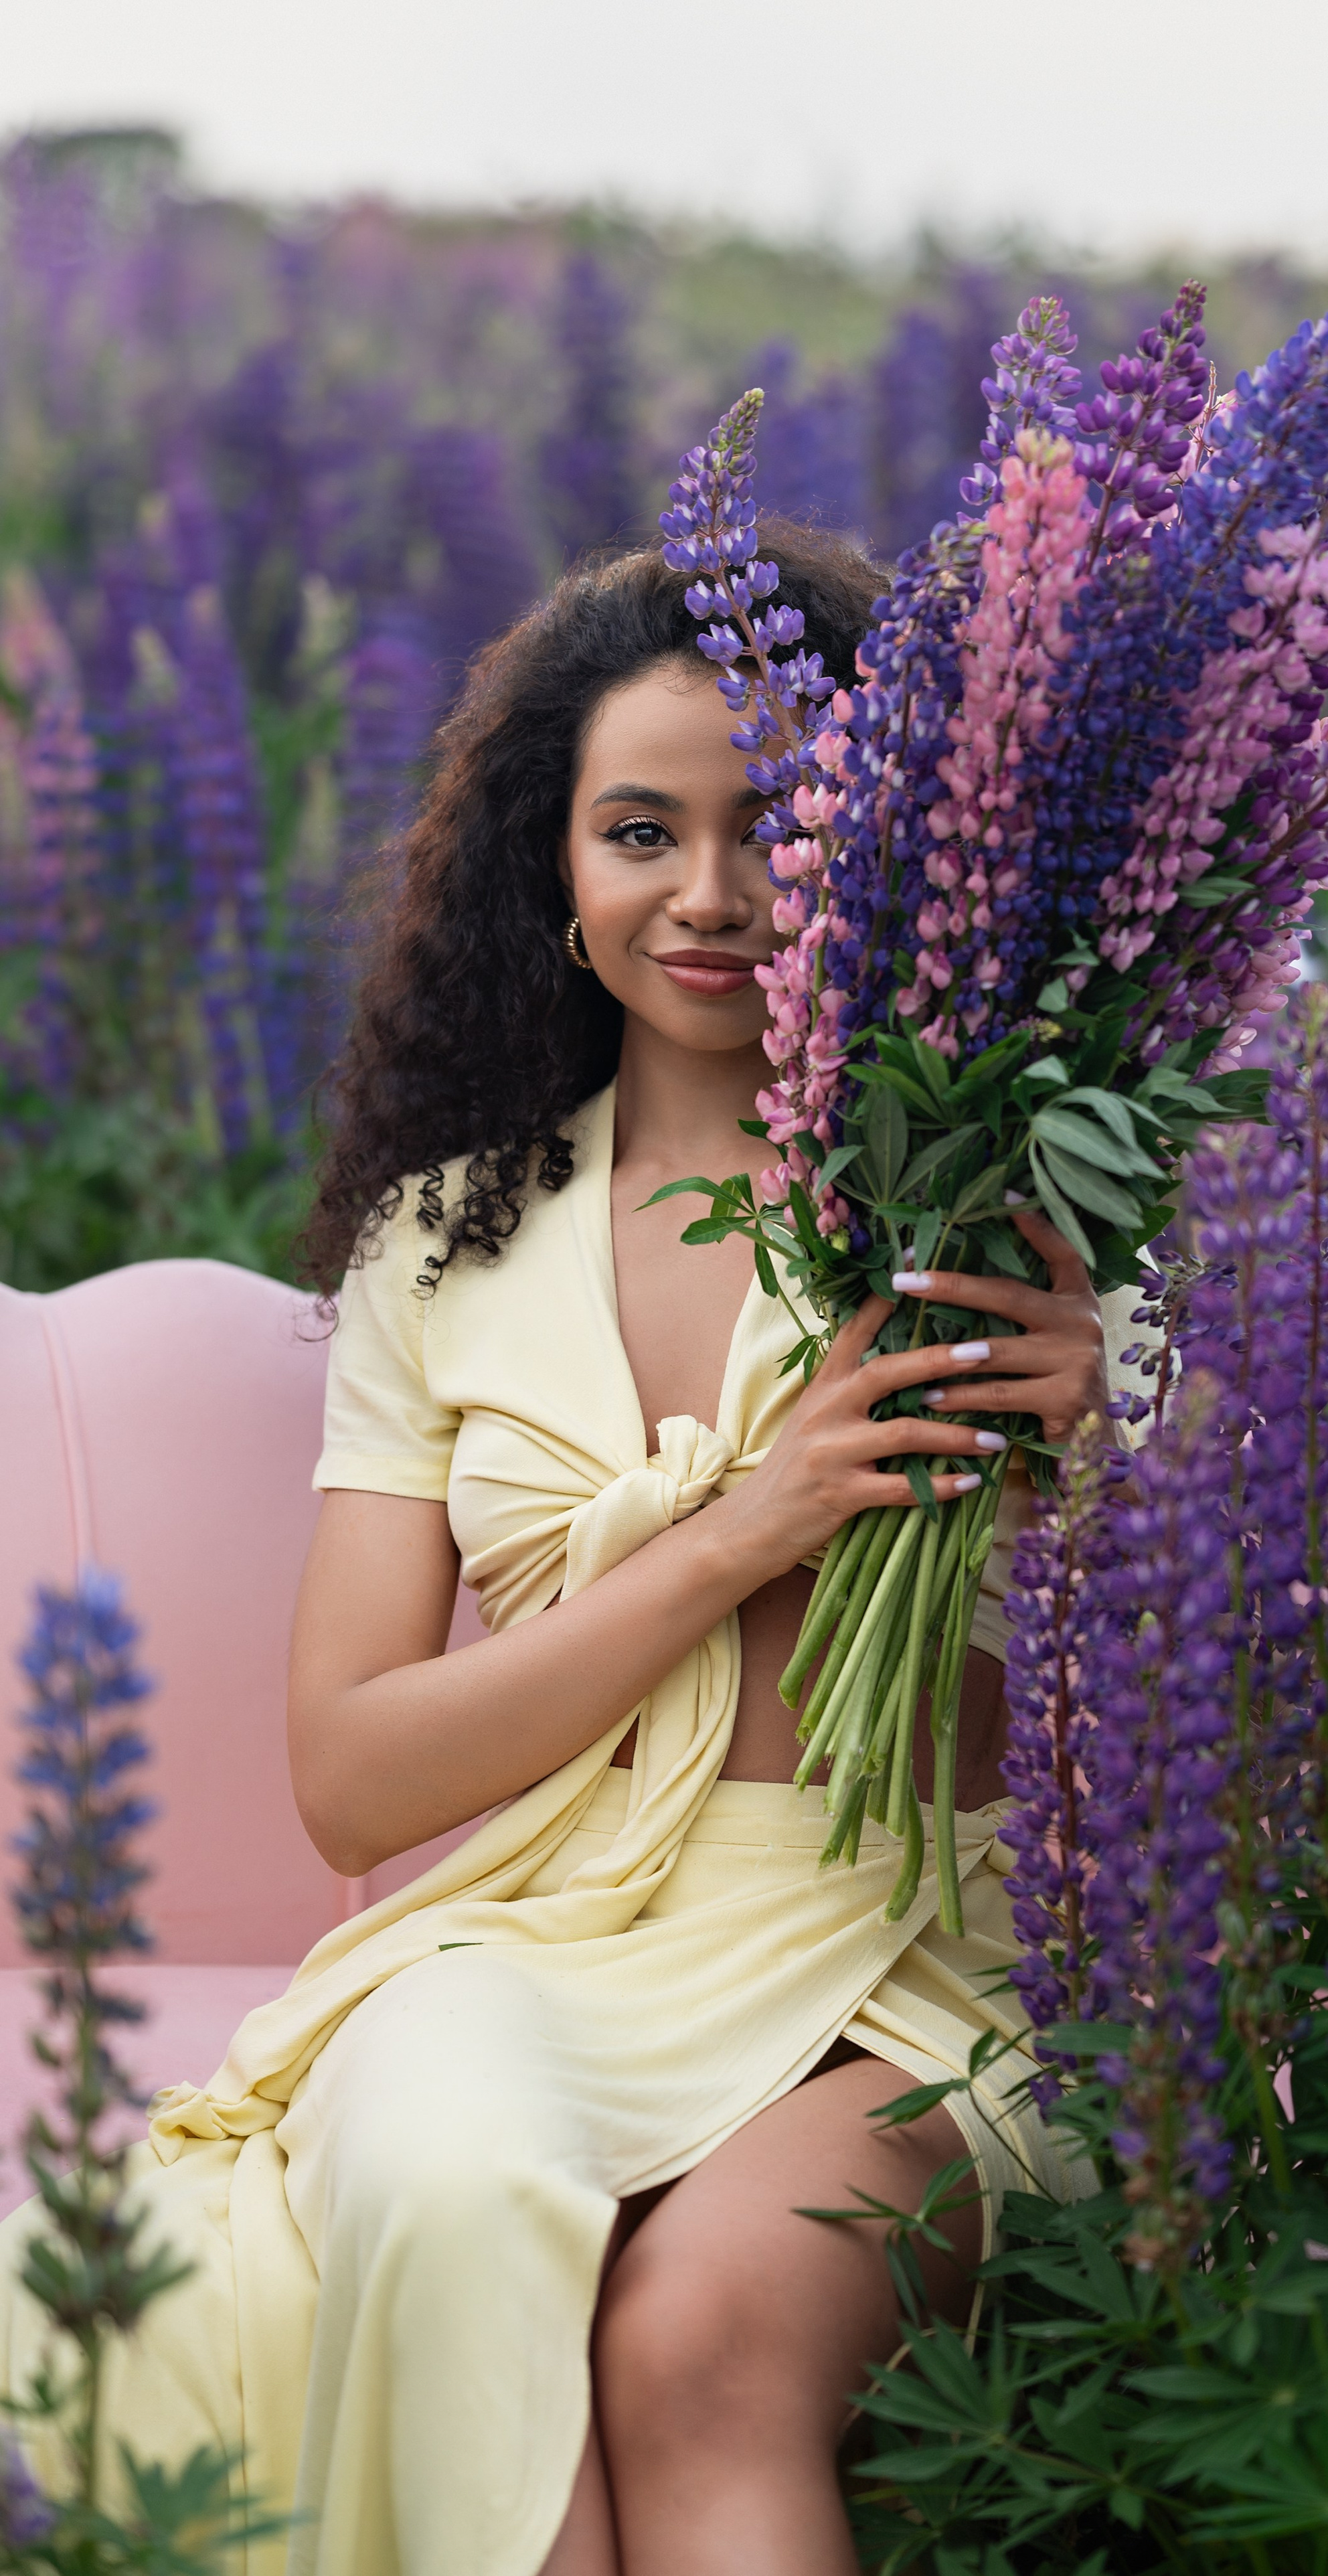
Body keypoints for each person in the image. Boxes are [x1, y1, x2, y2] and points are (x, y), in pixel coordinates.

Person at [0, 525, 1143, 2576]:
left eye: (778, 824)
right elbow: (356, 1775)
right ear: (558, 864)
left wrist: (1116, 1456)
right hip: (547, 1936)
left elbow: (1214, 1711)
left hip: (926, 1951)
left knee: (703, 2340)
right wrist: (747, 1530)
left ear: (897, 847)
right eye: (641, 832)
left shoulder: (1008, 1198)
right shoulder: (445, 1248)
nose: (711, 893)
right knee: (441, 2193)